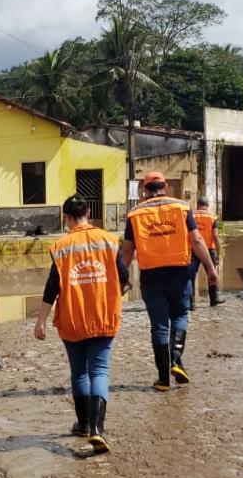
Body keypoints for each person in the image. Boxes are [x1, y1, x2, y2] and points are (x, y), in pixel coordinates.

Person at [35, 195, 128, 453]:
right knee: (99, 371)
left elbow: (51, 287)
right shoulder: (109, 241)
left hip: (72, 319)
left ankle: (84, 424)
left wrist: (40, 321)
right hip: (102, 316)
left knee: (79, 372)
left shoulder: (61, 246)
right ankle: (97, 430)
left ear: (65, 218)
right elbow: (124, 275)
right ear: (88, 211)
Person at [121, 172, 218, 392]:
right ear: (165, 186)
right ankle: (175, 359)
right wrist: (211, 268)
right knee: (181, 316)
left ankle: (163, 379)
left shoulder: (135, 214)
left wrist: (121, 278)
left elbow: (127, 250)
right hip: (179, 274)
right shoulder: (182, 208)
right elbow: (196, 239)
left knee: (159, 326)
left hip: (151, 277)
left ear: (144, 190)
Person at [189, 197, 224, 309]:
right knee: (211, 273)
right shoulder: (212, 218)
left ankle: (191, 303)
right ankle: (214, 299)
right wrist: (219, 252)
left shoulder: (191, 216)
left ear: (198, 204)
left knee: (191, 276)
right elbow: (215, 236)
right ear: (207, 206)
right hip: (208, 250)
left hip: (193, 249)